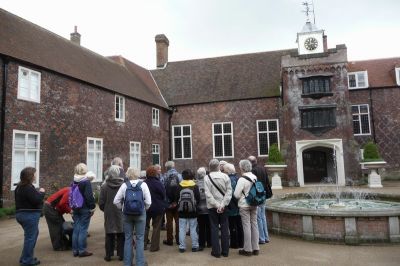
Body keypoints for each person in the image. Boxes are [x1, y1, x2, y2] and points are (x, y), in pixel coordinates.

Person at [114, 167, 152, 266]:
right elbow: (148, 202)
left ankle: (127, 263)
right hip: (140, 214)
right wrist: (144, 209)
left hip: (127, 214)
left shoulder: (124, 185)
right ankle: (140, 263)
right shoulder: (143, 185)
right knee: (140, 238)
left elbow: (116, 201)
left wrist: (122, 208)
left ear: (127, 174)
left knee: (128, 238)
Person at [15, 167, 45, 266]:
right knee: (30, 238)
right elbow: (36, 200)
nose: (36, 176)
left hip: (21, 214)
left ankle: (25, 258)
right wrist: (41, 192)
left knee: (31, 236)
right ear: (30, 176)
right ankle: (27, 261)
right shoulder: (28, 188)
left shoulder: (19, 187)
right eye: (34, 174)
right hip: (29, 215)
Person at [204, 159, 232, 258]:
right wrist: (222, 205)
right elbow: (229, 192)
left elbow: (208, 194)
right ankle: (225, 251)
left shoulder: (206, 178)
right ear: (218, 167)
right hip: (224, 206)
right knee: (225, 228)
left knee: (214, 228)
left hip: (212, 207)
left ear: (210, 167)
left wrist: (216, 205)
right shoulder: (225, 176)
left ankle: (216, 252)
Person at [99, 165, 125, 262]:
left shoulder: (104, 186)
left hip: (109, 212)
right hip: (120, 211)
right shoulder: (123, 185)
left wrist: (105, 209)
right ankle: (121, 254)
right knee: (121, 233)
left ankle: (108, 255)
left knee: (109, 233)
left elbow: (101, 202)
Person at [234, 159, 260, 256]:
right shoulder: (254, 177)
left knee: (246, 226)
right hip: (254, 203)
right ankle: (256, 248)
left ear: (242, 168)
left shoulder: (242, 179)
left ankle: (248, 249)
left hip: (244, 205)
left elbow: (236, 194)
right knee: (254, 225)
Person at [71, 163, 96, 258]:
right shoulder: (86, 182)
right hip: (85, 208)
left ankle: (75, 250)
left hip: (75, 207)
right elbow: (89, 196)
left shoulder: (74, 181)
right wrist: (92, 207)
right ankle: (82, 250)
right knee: (83, 229)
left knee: (76, 228)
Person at [175, 169, 201, 253]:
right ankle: (195, 246)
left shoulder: (179, 186)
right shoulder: (195, 186)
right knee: (193, 228)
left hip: (181, 211)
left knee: (182, 229)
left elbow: (176, 198)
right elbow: (198, 198)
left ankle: (182, 247)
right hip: (193, 211)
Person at [248, 155, 270, 244]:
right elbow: (268, 182)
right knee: (263, 217)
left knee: (258, 218)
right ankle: (266, 236)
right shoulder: (262, 168)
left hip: (257, 196)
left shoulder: (253, 171)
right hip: (263, 194)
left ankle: (261, 238)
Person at [144, 166, 166, 252]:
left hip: (146, 207)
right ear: (155, 174)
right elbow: (163, 195)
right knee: (156, 227)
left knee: (145, 227)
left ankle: (143, 245)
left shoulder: (143, 183)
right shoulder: (159, 183)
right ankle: (154, 246)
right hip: (158, 207)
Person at [43, 187, 72, 251]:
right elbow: (63, 203)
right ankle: (58, 246)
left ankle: (64, 244)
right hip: (50, 208)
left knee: (62, 225)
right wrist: (70, 211)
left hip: (52, 208)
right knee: (57, 227)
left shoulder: (71, 191)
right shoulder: (70, 191)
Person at [224, 163, 243, 249]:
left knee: (233, 225)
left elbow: (232, 194)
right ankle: (241, 243)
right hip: (239, 205)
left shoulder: (230, 180)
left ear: (227, 171)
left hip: (232, 206)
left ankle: (234, 244)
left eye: (224, 170)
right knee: (239, 225)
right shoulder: (238, 178)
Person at [163, 161, 182, 246]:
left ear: (166, 167)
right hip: (177, 202)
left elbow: (162, 190)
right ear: (174, 166)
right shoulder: (179, 176)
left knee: (169, 222)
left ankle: (169, 240)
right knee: (178, 222)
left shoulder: (164, 176)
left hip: (168, 203)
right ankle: (179, 239)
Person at [196, 167, 211, 249]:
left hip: (199, 209)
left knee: (201, 227)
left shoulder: (196, 184)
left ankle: (201, 244)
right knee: (209, 226)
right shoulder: (209, 182)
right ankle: (209, 243)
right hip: (208, 208)